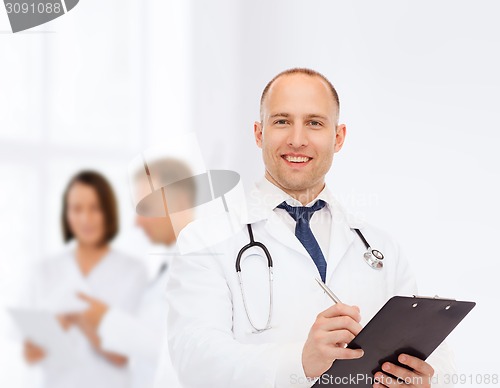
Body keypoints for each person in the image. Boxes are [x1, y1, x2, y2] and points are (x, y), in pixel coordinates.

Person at [165, 68, 456, 388]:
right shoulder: (206, 240)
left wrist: (424, 380)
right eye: (281, 121)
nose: (297, 139)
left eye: (314, 123)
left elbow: (435, 354)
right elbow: (195, 361)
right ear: (259, 133)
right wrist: (300, 362)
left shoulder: (378, 245)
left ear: (338, 136)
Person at [70, 159, 195, 388]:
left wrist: (105, 319)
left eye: (145, 209)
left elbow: (180, 351)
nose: (137, 222)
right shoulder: (170, 263)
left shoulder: (206, 265)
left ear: (179, 202)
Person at [22, 170, 148, 388]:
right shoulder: (44, 271)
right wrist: (51, 333)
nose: (85, 219)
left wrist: (80, 318)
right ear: (66, 214)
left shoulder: (133, 271)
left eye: (95, 208)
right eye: (77, 209)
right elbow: (31, 355)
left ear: (108, 212)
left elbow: (123, 355)